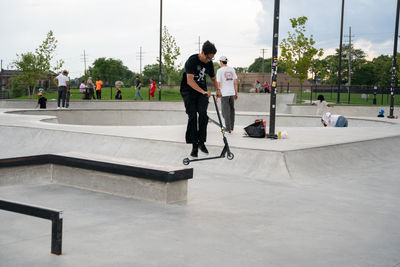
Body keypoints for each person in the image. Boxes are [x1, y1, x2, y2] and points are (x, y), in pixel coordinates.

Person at [180, 40, 218, 158]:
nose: (208, 61)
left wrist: (219, 89)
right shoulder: (191, 61)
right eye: (207, 58)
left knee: (203, 115)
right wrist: (203, 91)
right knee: (192, 116)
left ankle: (201, 143)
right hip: (188, 91)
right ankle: (194, 146)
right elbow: (190, 81)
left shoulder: (209, 63)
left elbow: (212, 78)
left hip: (202, 91)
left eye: (211, 59)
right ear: (202, 52)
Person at [216, 55, 238, 133]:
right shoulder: (232, 69)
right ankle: (231, 127)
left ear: (221, 62)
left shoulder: (220, 71)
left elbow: (218, 83)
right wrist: (236, 92)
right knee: (231, 110)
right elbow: (235, 82)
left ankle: (228, 128)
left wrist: (217, 94)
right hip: (232, 93)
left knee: (225, 111)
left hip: (224, 93)